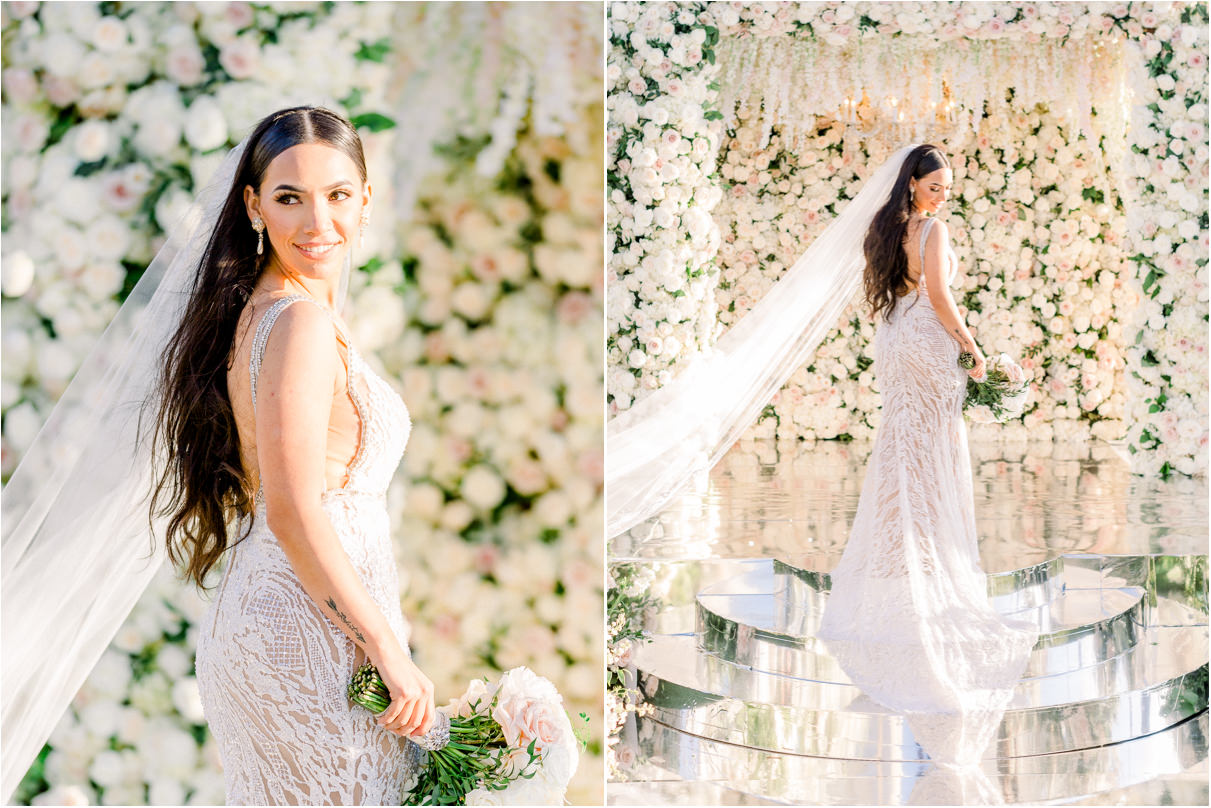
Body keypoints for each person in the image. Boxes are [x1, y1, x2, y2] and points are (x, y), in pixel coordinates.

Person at [149, 106, 436, 805]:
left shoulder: (269, 310)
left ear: (366, 199)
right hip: (303, 632)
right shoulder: (299, 322)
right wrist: (385, 647)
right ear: (253, 207)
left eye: (337, 195)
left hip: (293, 618)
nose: (317, 224)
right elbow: (293, 510)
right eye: (289, 198)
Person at [815, 144, 1036, 763]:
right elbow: (940, 296)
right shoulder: (932, 229)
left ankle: (899, 569)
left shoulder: (889, 228)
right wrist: (975, 348)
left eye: (947, 187)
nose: (944, 195)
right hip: (927, 340)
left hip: (895, 337)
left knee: (903, 450)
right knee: (931, 453)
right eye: (935, 185)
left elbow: (900, 291)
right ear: (912, 184)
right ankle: (926, 568)